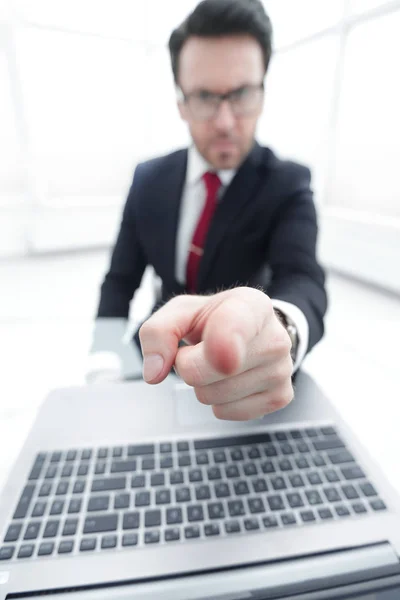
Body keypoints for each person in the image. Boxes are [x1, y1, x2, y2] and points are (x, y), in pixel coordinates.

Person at [92, 0, 328, 421]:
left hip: (247, 360)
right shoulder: (148, 180)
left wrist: (281, 329)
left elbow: (303, 280)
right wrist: (103, 368)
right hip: (154, 350)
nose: (224, 121)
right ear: (181, 103)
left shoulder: (288, 183)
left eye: (241, 94)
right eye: (204, 96)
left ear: (262, 93)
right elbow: (119, 281)